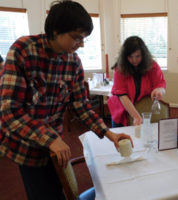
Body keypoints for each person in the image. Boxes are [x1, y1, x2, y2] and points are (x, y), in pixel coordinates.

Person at [0, 1, 132, 200]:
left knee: (58, 190)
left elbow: (81, 107)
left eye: (84, 38)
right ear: (55, 30)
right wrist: (50, 138)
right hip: (27, 147)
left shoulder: (73, 62)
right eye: (76, 37)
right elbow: (10, 112)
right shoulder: (23, 51)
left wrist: (108, 134)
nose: (81, 44)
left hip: (57, 145)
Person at [108, 36, 166, 127]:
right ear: (125, 56)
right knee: (122, 137)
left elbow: (160, 83)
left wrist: (159, 90)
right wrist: (136, 116)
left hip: (142, 107)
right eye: (130, 57)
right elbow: (122, 96)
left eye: (137, 56)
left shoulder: (152, 65)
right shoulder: (120, 68)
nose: (134, 60)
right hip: (121, 109)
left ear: (143, 54)